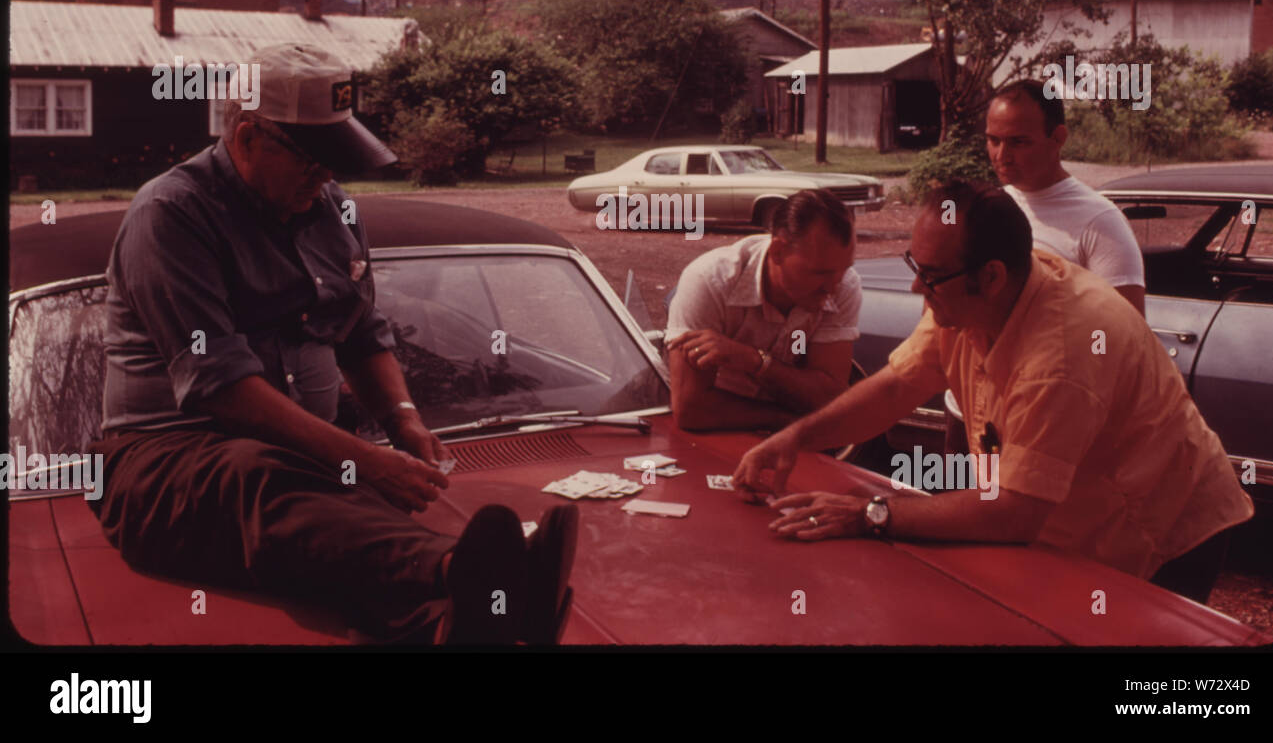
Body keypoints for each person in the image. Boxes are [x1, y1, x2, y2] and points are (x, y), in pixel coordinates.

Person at [87, 43, 577, 645]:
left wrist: (402, 422)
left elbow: (361, 332)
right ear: (246, 136)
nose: (324, 176)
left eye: (334, 158)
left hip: (300, 467)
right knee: (257, 470)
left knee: (342, 528)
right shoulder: (171, 213)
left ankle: (458, 622)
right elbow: (223, 389)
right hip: (162, 466)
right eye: (309, 158)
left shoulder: (332, 208)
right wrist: (363, 458)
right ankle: (465, 572)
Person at [732, 181, 1253, 603]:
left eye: (930, 275)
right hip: (1072, 518)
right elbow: (895, 387)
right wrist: (795, 439)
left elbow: (1012, 513)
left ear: (993, 276)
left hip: (1166, 535)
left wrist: (873, 512)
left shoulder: (1063, 356)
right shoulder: (962, 301)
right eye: (915, 267)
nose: (917, 288)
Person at [665, 189, 861, 431]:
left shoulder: (844, 284)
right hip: (717, 437)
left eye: (844, 268)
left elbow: (828, 399)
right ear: (778, 251)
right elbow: (691, 411)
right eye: (820, 273)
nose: (833, 286)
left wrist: (753, 361)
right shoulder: (710, 280)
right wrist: (791, 419)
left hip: (787, 436)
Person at [985, 79, 1145, 314]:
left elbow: (1125, 336)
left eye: (1018, 142)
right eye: (993, 140)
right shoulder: (987, 209)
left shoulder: (1101, 221)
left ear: (1058, 138)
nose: (1002, 155)